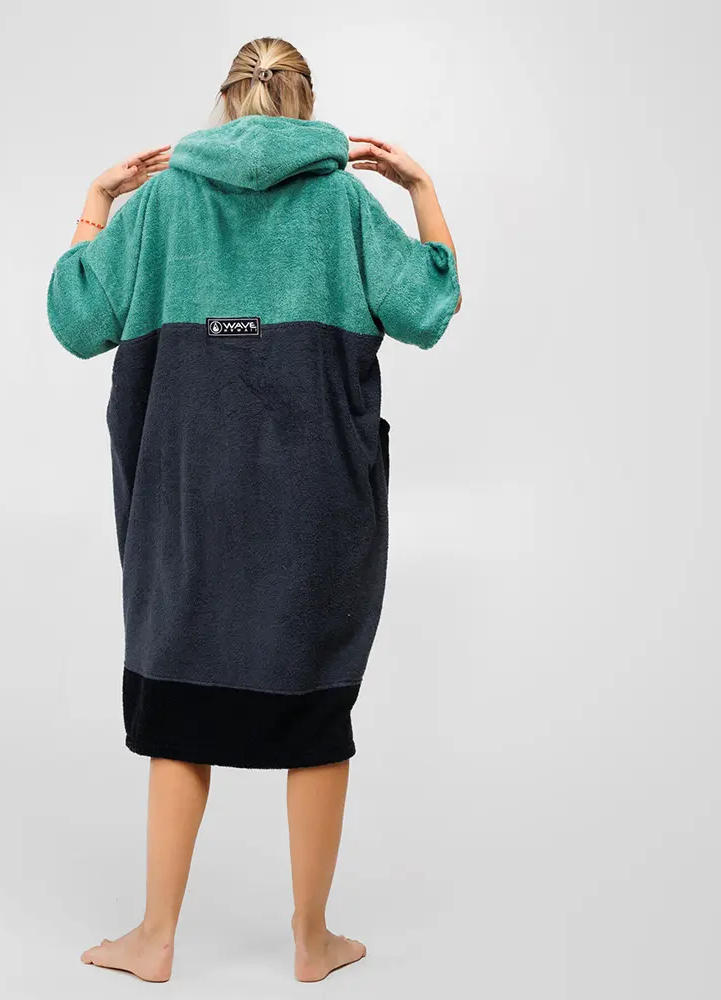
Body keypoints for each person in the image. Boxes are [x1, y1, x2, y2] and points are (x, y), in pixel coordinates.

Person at [46, 35, 461, 984]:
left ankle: (154, 940)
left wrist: (96, 202)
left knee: (179, 699)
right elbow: (429, 309)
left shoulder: (160, 205)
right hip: (318, 505)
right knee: (314, 708)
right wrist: (422, 188)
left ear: (227, 100)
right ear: (306, 102)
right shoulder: (343, 202)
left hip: (184, 499)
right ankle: (313, 942)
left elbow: (75, 319)